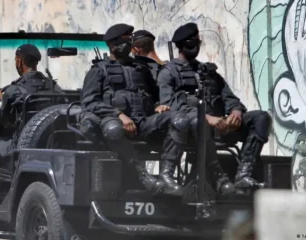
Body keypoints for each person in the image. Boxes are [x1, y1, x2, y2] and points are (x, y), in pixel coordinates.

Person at [157, 22, 272, 193]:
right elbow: (170, 106)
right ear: (181, 45)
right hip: (192, 130)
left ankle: (244, 174)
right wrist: (208, 119)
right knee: (197, 122)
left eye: (198, 42)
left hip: (221, 127)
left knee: (262, 118)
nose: (195, 46)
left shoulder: (208, 72)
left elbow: (230, 98)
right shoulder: (168, 73)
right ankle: (219, 178)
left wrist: (235, 112)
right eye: (191, 43)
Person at [80, 23, 190, 195]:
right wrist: (119, 115)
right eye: (123, 41)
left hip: (143, 122)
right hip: (115, 123)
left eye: (129, 40)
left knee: (180, 120)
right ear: (111, 45)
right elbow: (89, 103)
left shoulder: (141, 68)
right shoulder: (98, 71)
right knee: (113, 129)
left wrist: (158, 106)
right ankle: (141, 176)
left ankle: (166, 176)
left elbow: (154, 95)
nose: (127, 44)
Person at [0, 44, 63, 184]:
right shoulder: (53, 86)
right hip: (48, 145)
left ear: (19, 61)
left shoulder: (14, 90)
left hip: (20, 148)